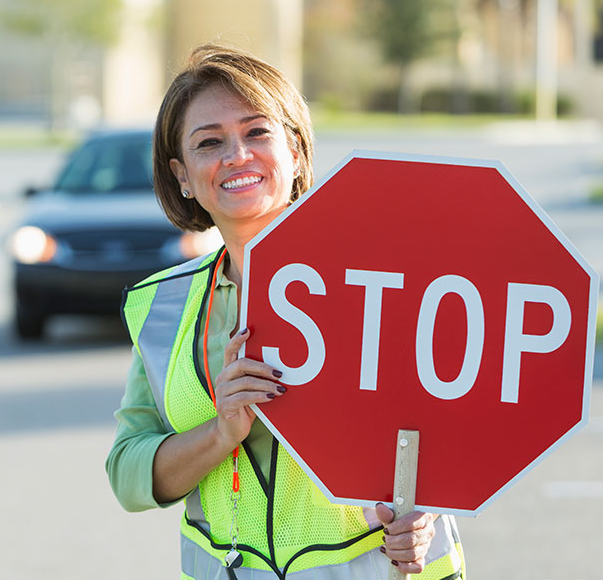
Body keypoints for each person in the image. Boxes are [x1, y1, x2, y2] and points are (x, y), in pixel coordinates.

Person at [106, 44, 466, 580]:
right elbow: (129, 471)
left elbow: (463, 418)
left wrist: (426, 508)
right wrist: (219, 434)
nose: (236, 156)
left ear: (295, 150)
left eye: (257, 132)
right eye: (210, 143)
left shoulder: (376, 278)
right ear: (183, 175)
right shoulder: (163, 305)